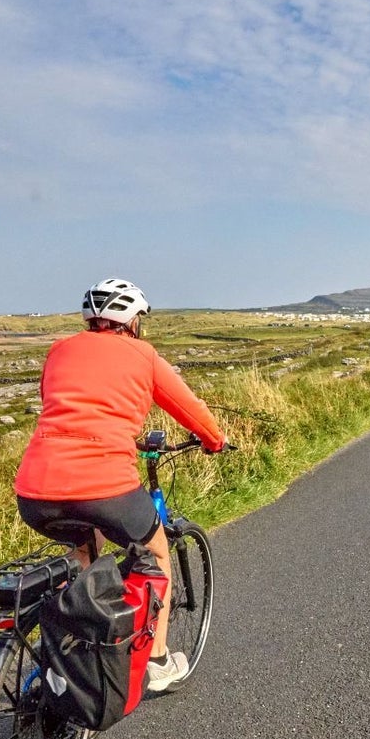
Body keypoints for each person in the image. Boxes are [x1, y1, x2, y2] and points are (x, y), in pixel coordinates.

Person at [13, 277, 225, 694]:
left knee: (83, 553)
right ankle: (160, 662)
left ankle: (74, 649)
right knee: (155, 552)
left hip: (35, 491)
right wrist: (213, 441)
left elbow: (62, 404)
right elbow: (190, 409)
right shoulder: (142, 355)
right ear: (132, 319)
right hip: (106, 486)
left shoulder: (60, 349)